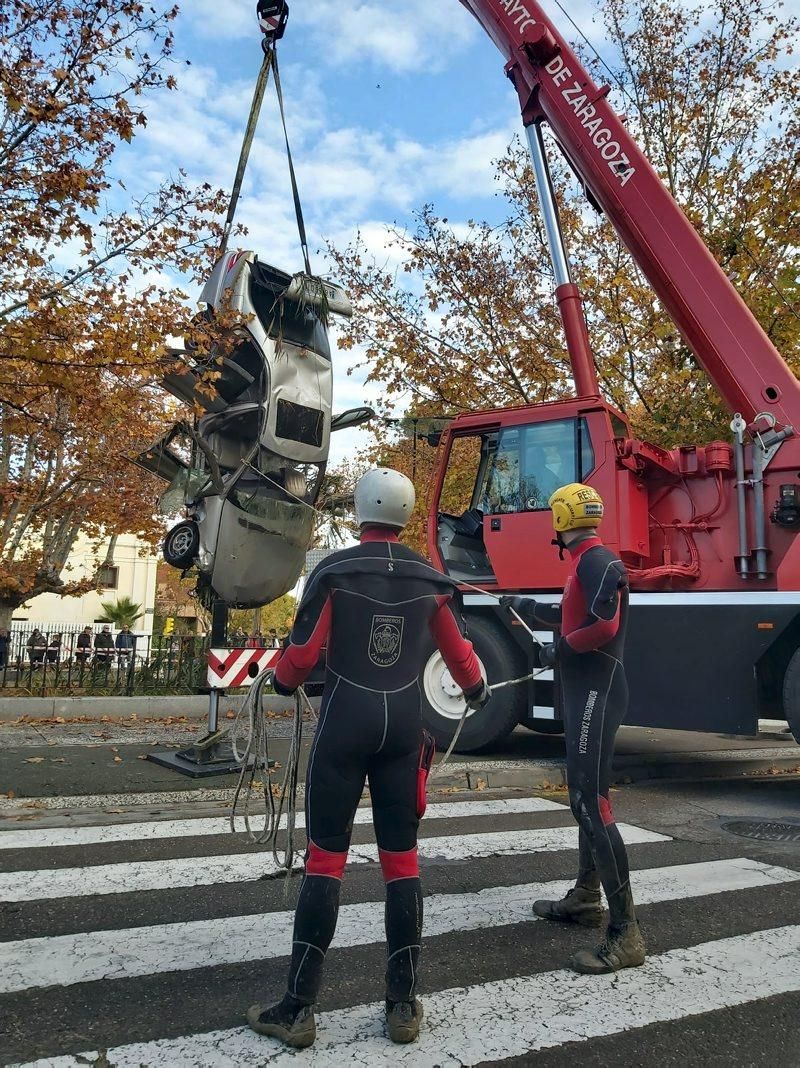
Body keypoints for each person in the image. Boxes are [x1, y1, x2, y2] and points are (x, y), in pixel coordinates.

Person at [246, 468, 489, 1050]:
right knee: (402, 862)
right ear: (406, 515)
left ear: (360, 509)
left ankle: (298, 1009)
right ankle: (402, 1005)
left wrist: (279, 682)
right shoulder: (432, 580)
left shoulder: (335, 570)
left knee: (325, 862)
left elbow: (300, 658)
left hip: (344, 727)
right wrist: (478, 691)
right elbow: (465, 664)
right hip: (405, 732)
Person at [501, 482, 645, 975]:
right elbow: (573, 616)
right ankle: (586, 897)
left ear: (560, 521)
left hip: (595, 695)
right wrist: (521, 605)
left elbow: (603, 627)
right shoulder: (589, 561)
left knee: (591, 803)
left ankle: (626, 933)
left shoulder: (594, 561)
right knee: (585, 798)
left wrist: (554, 652)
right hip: (591, 692)